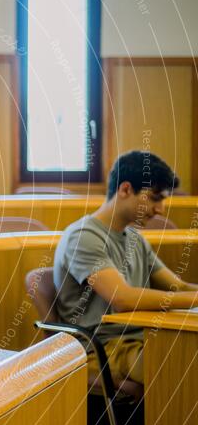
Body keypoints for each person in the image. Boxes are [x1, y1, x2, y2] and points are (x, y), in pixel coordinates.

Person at [54, 150, 198, 386]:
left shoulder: (134, 239)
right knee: (183, 366)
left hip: (141, 338)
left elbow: (178, 286)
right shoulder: (83, 236)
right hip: (101, 348)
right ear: (125, 189)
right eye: (155, 197)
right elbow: (123, 299)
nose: (161, 209)